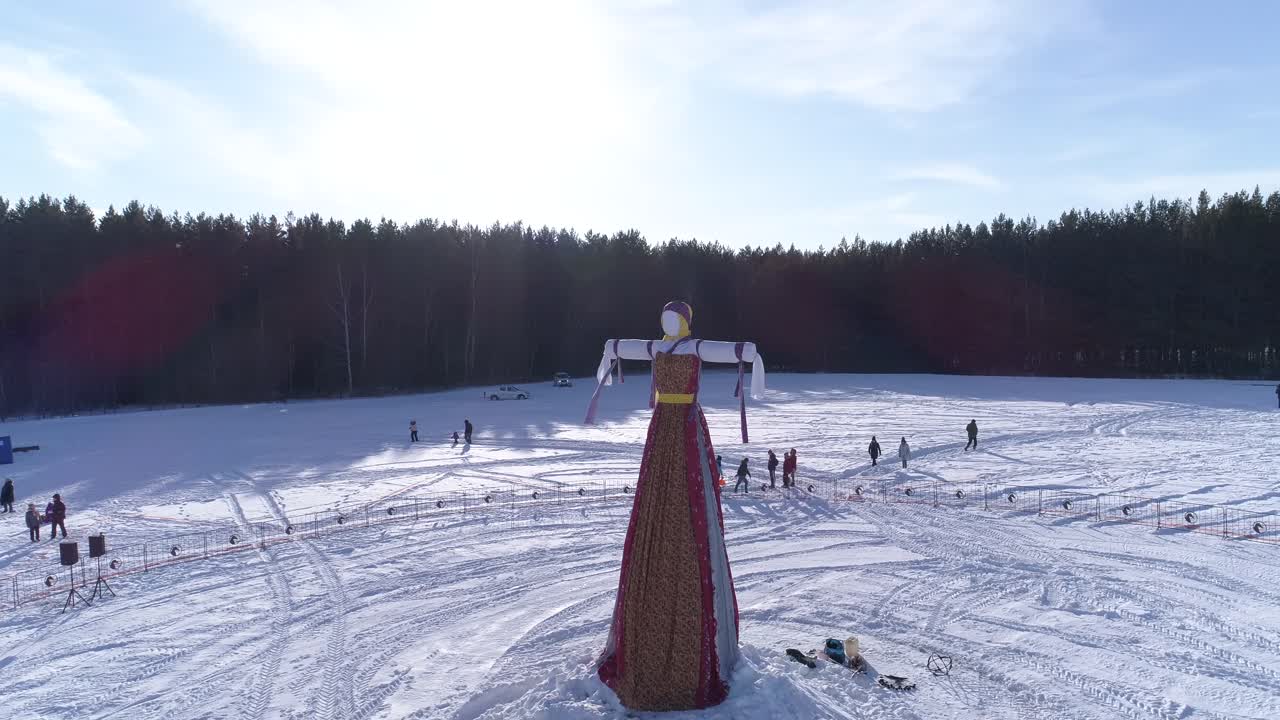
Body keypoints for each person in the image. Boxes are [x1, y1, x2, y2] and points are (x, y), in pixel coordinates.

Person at [586, 300, 765, 710]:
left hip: (683, 429)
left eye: (675, 319)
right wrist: (611, 348)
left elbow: (729, 351)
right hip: (666, 428)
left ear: (685, 322)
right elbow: (622, 347)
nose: (669, 324)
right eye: (665, 318)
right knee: (663, 500)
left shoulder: (693, 348)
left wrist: (746, 353)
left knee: (690, 506)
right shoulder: (658, 348)